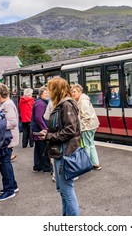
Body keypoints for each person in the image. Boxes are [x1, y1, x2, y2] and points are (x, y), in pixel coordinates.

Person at [38, 77, 81, 216]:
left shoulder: (66, 105)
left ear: (56, 90)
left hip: (64, 152)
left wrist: (49, 136)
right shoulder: (62, 104)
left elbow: (70, 130)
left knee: (67, 190)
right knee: (63, 190)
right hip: (61, 151)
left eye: (50, 89)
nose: (48, 92)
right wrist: (49, 132)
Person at [0, 83, 20, 201]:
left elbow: (12, 122)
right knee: (5, 162)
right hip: (5, 139)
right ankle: (12, 186)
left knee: (4, 163)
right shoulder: (6, 104)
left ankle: (9, 190)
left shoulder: (7, 105)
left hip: (6, 139)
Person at [71, 84, 101, 170]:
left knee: (86, 146)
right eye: (72, 92)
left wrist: (81, 128)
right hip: (92, 125)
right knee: (91, 144)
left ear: (79, 92)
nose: (73, 94)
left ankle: (87, 165)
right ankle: (95, 163)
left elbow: (86, 116)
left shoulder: (83, 102)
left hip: (87, 127)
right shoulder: (83, 100)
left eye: (74, 92)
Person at [31, 87, 51, 173]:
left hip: (36, 129)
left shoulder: (39, 102)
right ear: (41, 94)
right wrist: (45, 128)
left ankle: (38, 165)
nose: (47, 95)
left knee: (38, 148)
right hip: (39, 130)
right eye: (45, 93)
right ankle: (46, 167)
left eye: (48, 93)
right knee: (44, 148)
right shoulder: (40, 104)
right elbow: (38, 118)